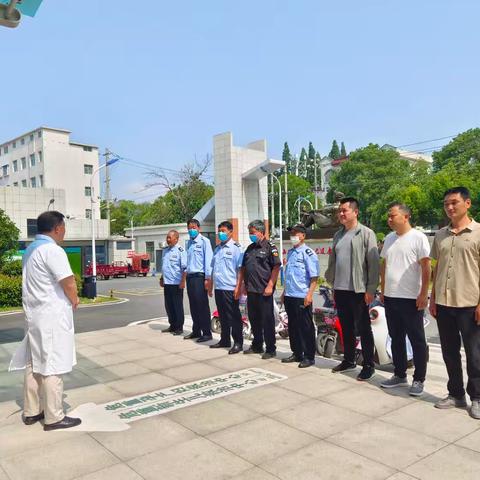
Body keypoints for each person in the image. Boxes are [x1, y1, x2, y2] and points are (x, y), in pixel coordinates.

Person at [9, 211, 81, 431]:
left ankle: (31, 411)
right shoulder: (53, 250)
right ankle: (54, 416)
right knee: (52, 364)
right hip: (51, 316)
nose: (64, 232)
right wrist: (75, 299)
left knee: (34, 363)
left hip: (34, 315)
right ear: (57, 228)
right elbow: (68, 281)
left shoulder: (30, 250)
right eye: (64, 227)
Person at [430, 187, 480, 419]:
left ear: (467, 203)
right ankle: (456, 394)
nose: (450, 207)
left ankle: (477, 398)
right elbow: (437, 267)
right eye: (446, 204)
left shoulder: (478, 232)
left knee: (475, 353)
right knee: (449, 352)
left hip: (470, 303)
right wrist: (432, 298)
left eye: (454, 203)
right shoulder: (440, 235)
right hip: (444, 302)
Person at [325, 197, 380, 381]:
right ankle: (348, 360)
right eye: (339, 211)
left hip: (358, 289)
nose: (340, 214)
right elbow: (333, 262)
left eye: (344, 210)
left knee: (363, 328)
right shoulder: (338, 235)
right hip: (340, 289)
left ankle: (369, 365)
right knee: (346, 326)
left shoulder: (366, 233)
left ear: (355, 212)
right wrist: (332, 284)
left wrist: (371, 289)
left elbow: (373, 264)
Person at [379, 203, 431, 396]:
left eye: (392, 216)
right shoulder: (389, 238)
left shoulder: (418, 238)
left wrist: (423, 293)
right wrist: (383, 290)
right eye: (388, 216)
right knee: (396, 338)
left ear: (406, 216)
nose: (389, 219)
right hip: (391, 298)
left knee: (417, 340)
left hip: (411, 298)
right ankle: (399, 374)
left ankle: (419, 379)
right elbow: (385, 265)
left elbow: (426, 267)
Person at [237, 220, 281, 359]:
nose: (251, 235)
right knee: (254, 319)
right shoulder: (250, 248)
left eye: (253, 232)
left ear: (261, 232)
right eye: (250, 232)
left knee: (267, 320)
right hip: (251, 290)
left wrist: (270, 285)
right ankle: (257, 345)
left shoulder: (270, 247)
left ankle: (270, 348)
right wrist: (243, 284)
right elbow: (244, 268)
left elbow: (276, 267)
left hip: (264, 290)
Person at [281, 223, 320, 368]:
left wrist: (309, 295)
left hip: (302, 295)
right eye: (292, 234)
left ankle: (309, 356)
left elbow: (314, 277)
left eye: (296, 233)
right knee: (293, 326)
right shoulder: (290, 252)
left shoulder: (308, 253)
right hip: (290, 294)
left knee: (306, 327)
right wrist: (284, 292)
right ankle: (297, 353)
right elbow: (289, 275)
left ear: (303, 236)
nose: (293, 236)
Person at [208, 221, 244, 354]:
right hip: (219, 287)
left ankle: (238, 342)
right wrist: (211, 285)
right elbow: (213, 268)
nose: (221, 233)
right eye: (219, 231)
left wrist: (238, 287)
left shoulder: (236, 248)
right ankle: (224, 340)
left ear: (231, 232)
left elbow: (240, 270)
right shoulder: (217, 249)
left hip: (230, 287)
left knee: (233, 316)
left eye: (223, 231)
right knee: (222, 315)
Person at [184, 218, 213, 342]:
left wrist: (208, 279)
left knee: (202, 305)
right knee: (193, 305)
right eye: (189, 228)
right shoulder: (188, 243)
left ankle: (206, 333)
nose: (191, 230)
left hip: (200, 277)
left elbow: (208, 260)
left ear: (199, 228)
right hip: (190, 277)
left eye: (194, 228)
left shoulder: (204, 241)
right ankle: (196, 331)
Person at [160, 229, 187, 335]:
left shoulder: (181, 251)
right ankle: (172, 325)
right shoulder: (165, 250)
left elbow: (185, 268)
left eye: (170, 237)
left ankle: (179, 327)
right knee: (169, 305)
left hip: (177, 283)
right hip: (167, 283)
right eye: (167, 237)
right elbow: (164, 267)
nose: (168, 239)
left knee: (177, 306)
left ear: (176, 239)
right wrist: (162, 278)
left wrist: (183, 281)